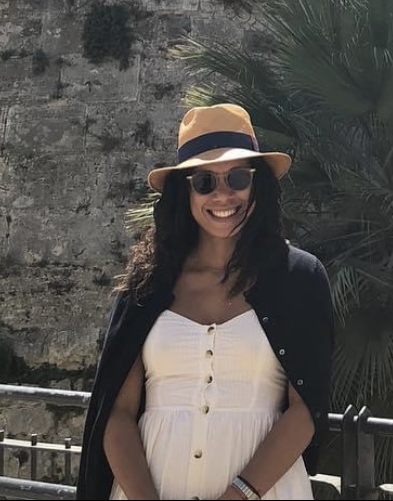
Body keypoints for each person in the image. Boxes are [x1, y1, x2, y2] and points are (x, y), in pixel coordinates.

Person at [75, 103, 334, 501]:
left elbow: (305, 410)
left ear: (257, 184)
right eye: (204, 182)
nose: (223, 194)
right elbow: (118, 412)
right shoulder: (148, 284)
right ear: (185, 190)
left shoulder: (298, 278)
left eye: (237, 177)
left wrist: (238, 495)